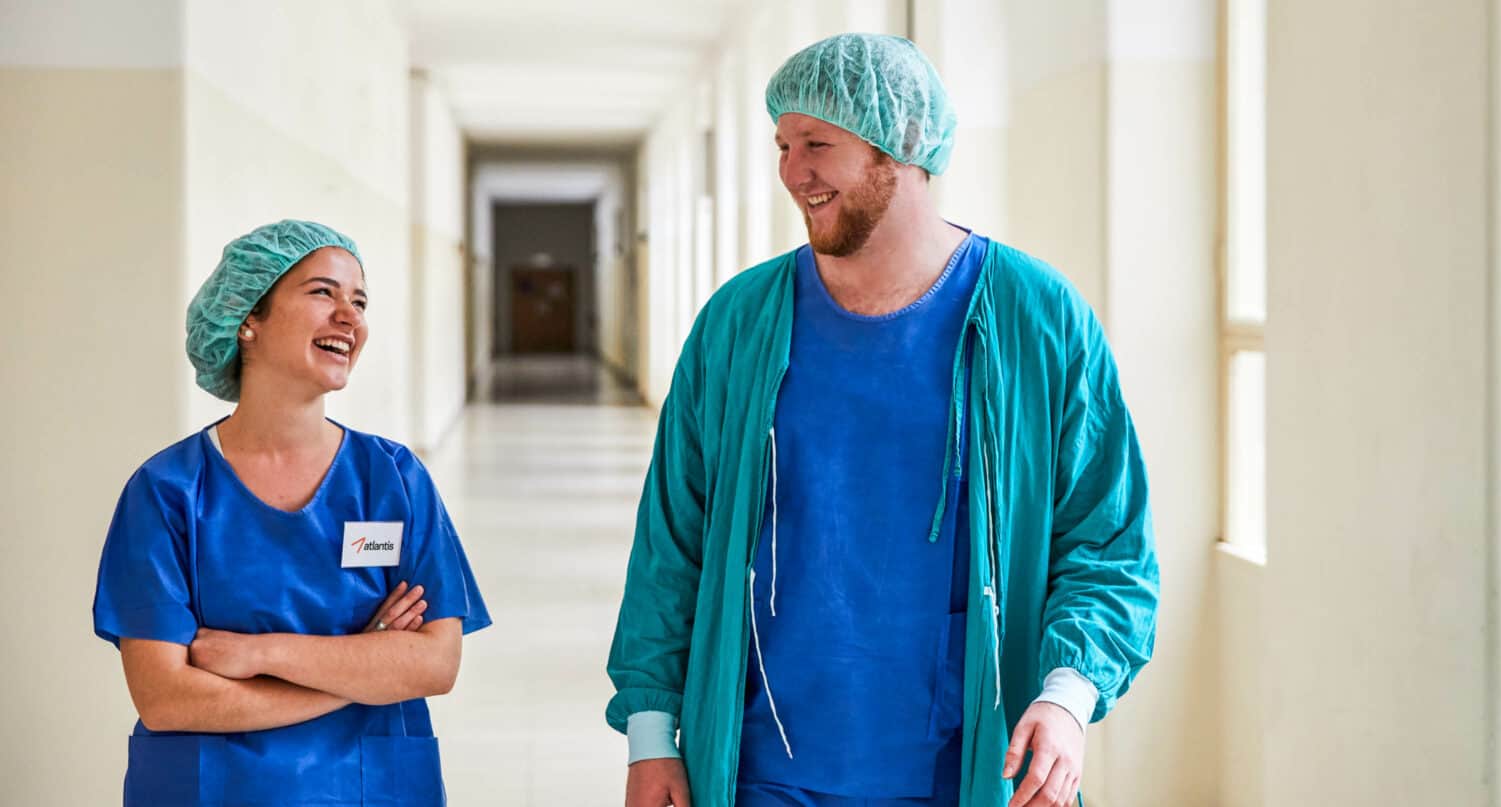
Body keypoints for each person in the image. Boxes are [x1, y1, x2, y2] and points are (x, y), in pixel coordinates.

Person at [607, 33, 1158, 807]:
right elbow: (673, 544)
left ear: (899, 144)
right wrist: (651, 731)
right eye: (783, 144)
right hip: (765, 766)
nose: (792, 171)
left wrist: (1069, 696)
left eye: (817, 143)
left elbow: (1106, 542)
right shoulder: (739, 325)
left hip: (967, 769)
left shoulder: (1036, 320)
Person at [92, 220, 491, 806]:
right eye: (323, 292)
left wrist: (261, 653)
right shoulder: (167, 491)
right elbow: (166, 698)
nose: (350, 318)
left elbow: (435, 662)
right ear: (248, 319)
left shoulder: (393, 478)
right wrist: (362, 668)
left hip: (370, 787)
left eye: (359, 301)